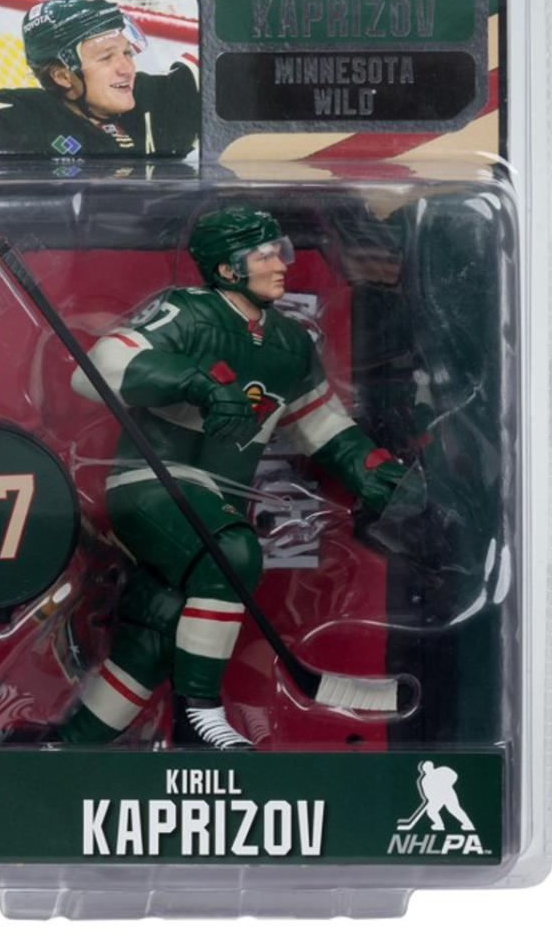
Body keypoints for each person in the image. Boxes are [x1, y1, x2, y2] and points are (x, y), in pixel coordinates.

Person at [60, 207, 409, 750]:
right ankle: (201, 713)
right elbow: (96, 369)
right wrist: (195, 381)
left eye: (281, 251)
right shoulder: (188, 311)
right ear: (227, 270)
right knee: (233, 553)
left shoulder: (291, 342)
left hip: (214, 500)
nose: (281, 264)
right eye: (264, 255)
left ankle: (70, 746)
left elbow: (317, 422)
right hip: (152, 484)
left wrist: (370, 469)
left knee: (157, 632)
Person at [0, 0, 199, 167]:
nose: (127, 68)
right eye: (106, 58)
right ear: (62, 76)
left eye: (127, 52)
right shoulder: (26, 117)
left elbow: (215, 64)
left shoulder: (156, 98)